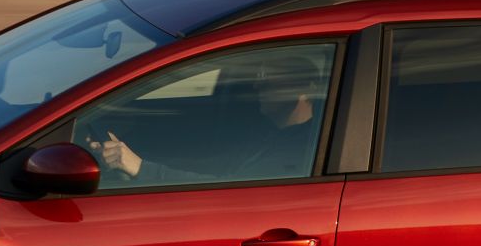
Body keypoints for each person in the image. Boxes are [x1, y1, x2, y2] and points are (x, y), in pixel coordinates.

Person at [82, 51, 326, 189]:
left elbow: (226, 191)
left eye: (270, 76)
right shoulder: (263, 133)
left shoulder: (300, 152)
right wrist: (127, 156)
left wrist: (140, 167)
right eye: (260, 74)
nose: (257, 83)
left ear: (304, 87)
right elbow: (207, 165)